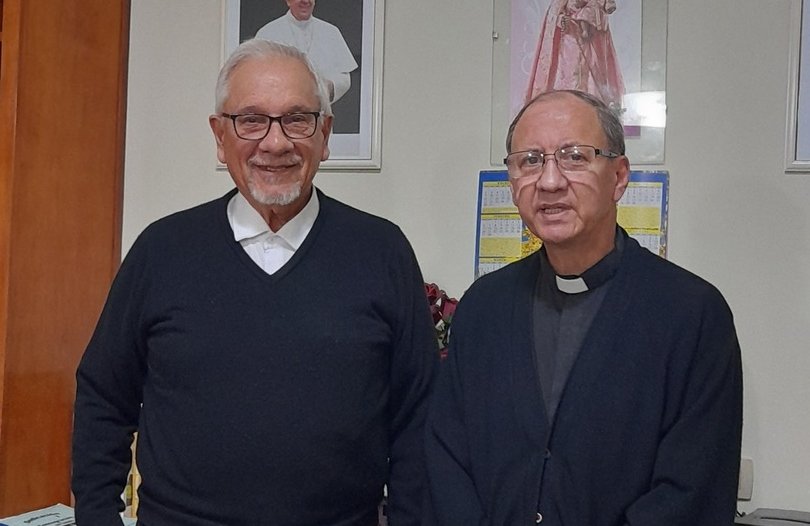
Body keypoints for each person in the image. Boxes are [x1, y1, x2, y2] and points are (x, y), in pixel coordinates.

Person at [71, 39, 436, 526]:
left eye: (297, 119)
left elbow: (418, 418)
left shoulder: (382, 252)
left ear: (325, 134)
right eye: (251, 120)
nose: (275, 143)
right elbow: (103, 397)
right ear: (220, 136)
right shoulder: (161, 251)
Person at [424, 89, 743, 525]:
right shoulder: (485, 306)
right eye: (530, 161)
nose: (550, 181)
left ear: (619, 176)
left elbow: (692, 488)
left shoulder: (691, 314)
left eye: (574, 157)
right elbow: (447, 457)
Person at [526, 0, 625, 111]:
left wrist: (587, 18)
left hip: (591, 51)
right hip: (567, 48)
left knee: (590, 92)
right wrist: (560, 21)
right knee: (568, 85)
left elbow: (603, 15)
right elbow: (553, 15)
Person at [256, 0, 358, 103]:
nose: (305, 1)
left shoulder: (331, 32)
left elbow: (344, 77)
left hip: (320, 108)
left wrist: (327, 87)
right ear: (288, 1)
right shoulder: (268, 33)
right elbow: (258, 76)